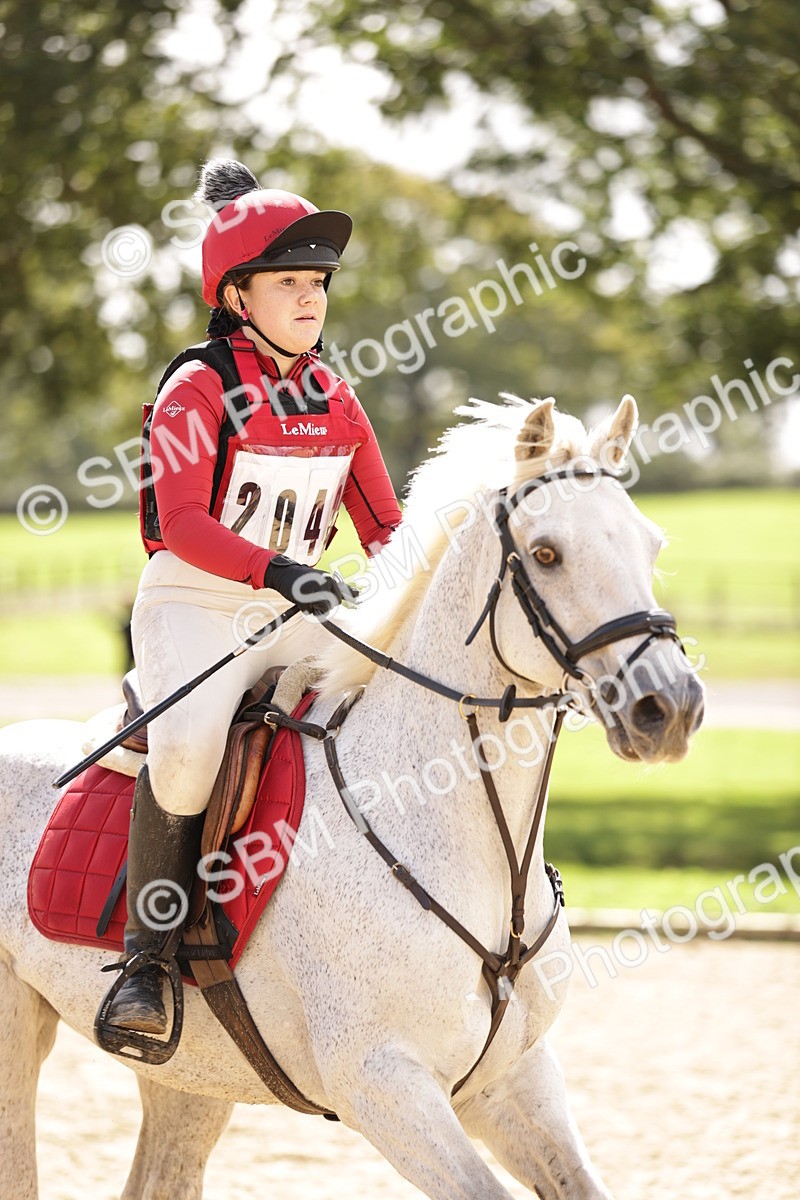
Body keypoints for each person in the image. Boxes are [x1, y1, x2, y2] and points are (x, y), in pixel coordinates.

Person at [104, 159, 401, 1035]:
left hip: (296, 613)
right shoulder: (196, 386)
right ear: (237, 296)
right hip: (194, 605)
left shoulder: (335, 396)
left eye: (317, 284)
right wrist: (278, 572)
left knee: (404, 699)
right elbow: (179, 522)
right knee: (190, 751)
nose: (311, 300)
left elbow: (384, 525)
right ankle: (145, 967)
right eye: (289, 283)